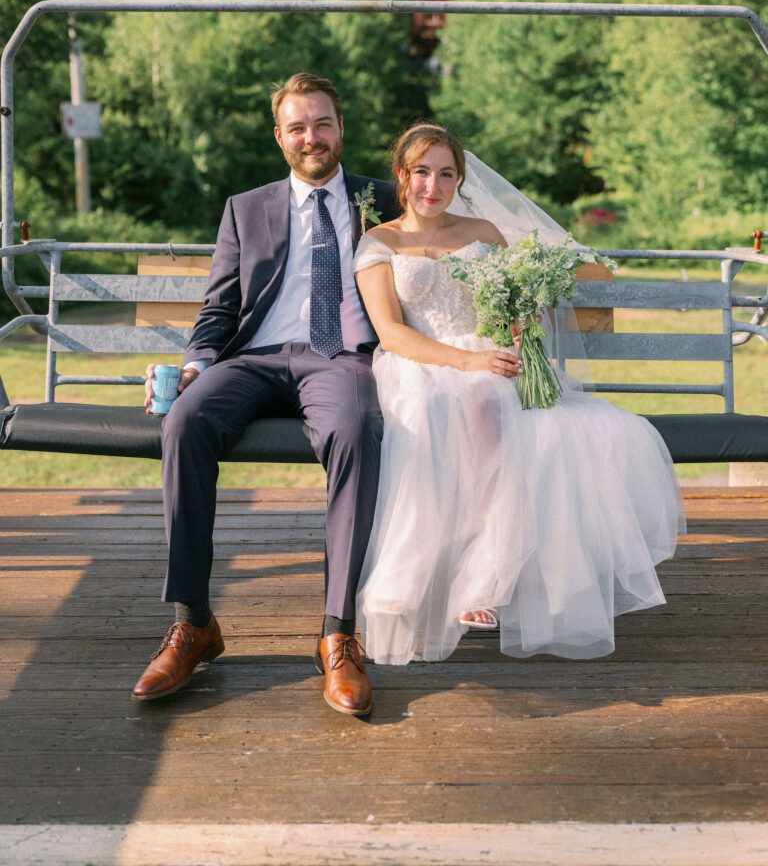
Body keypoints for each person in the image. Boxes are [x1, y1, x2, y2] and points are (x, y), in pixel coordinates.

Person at [352, 123, 685, 665]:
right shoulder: (380, 242)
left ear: (460, 179)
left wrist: (516, 331)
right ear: (401, 176)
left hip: (487, 359)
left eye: (446, 174)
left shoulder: (483, 230)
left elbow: (516, 306)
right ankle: (406, 578)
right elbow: (392, 333)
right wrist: (465, 359)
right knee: (431, 407)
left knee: (512, 411)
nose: (432, 186)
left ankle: (484, 581)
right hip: (420, 361)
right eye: (420, 172)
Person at [132, 72, 398, 715]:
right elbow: (219, 311)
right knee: (187, 422)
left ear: (341, 129)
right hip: (253, 359)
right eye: (298, 127)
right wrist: (194, 365)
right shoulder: (244, 208)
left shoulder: (385, 198)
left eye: (323, 123)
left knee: (357, 430)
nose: (313, 137)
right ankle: (194, 622)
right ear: (280, 136)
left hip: (341, 361)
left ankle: (338, 633)